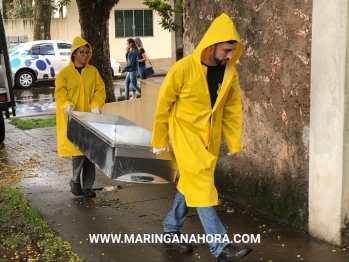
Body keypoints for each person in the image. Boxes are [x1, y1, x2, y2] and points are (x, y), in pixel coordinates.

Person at [151, 13, 252, 262]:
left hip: (210, 141)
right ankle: (221, 247)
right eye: (227, 50)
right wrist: (160, 139)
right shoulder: (182, 69)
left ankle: (171, 229)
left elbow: (231, 107)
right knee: (203, 188)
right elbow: (163, 105)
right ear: (212, 44)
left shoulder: (230, 73)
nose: (230, 55)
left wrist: (234, 139)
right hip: (185, 137)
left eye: (233, 51)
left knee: (191, 185)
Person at [54, 36, 106, 198]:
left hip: (90, 119)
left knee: (91, 153)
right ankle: (75, 180)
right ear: (74, 53)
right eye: (81, 52)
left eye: (87, 52)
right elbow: (60, 92)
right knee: (78, 153)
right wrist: (67, 104)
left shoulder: (93, 72)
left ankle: (88, 187)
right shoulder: (65, 74)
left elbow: (99, 90)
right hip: (72, 118)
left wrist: (96, 106)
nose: (84, 55)